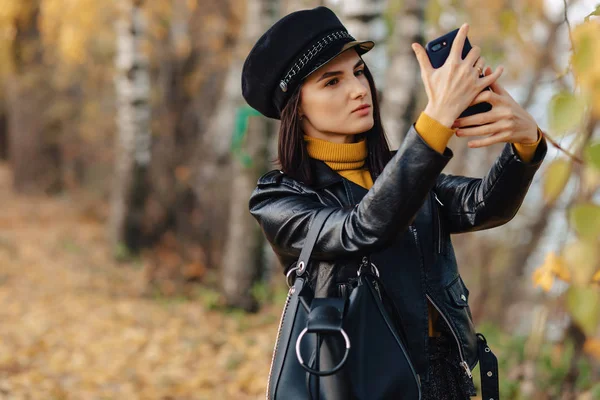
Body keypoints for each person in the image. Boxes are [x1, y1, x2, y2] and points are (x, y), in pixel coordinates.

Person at [241, 6, 546, 400]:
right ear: (296, 111)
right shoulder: (279, 197)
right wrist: (433, 123)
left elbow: (482, 205)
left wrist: (525, 144)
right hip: (361, 382)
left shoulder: (404, 172)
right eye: (332, 81)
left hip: (445, 378)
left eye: (358, 71)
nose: (358, 89)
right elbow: (359, 230)